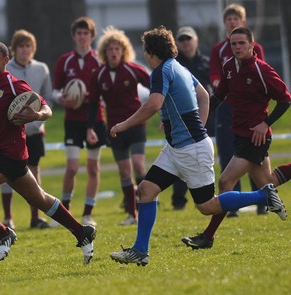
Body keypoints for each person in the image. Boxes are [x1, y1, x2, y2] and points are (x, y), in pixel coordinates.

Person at [109, 26, 286, 266]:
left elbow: (153, 104)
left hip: (190, 149)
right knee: (146, 190)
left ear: (152, 52)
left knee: (207, 206)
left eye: (146, 51)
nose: (145, 55)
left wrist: (124, 125)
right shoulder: (180, 67)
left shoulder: (161, 71)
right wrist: (195, 128)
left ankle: (262, 195)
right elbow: (204, 96)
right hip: (178, 148)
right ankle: (140, 251)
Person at [0, 41, 96, 265]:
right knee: (42, 200)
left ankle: (2, 233)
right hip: (3, 155)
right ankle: (82, 232)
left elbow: (47, 108)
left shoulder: (14, 85)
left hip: (11, 154)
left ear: (6, 61)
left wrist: (36, 115)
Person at [182, 26, 290, 250]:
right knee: (267, 182)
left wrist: (265, 124)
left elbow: (285, 99)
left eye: (242, 43)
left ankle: (208, 237)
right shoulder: (229, 66)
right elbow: (220, 95)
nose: (238, 47)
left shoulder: (262, 70)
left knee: (225, 182)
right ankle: (265, 198)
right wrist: (197, 116)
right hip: (238, 133)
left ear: (252, 45)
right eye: (234, 44)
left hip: (255, 137)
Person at [87, 26, 149, 225]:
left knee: (139, 166)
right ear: (105, 52)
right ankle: (132, 214)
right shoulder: (99, 74)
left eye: (117, 49)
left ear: (124, 51)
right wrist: (90, 127)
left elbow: (155, 86)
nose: (114, 53)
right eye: (110, 49)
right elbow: (93, 103)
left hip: (136, 125)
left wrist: (163, 112)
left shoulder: (133, 69)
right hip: (114, 129)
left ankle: (145, 206)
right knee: (124, 171)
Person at [210, 3, 266, 217]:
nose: (232, 22)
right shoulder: (219, 50)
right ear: (225, 23)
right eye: (229, 19)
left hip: (251, 110)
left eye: (236, 19)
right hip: (227, 108)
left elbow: (261, 75)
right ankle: (232, 203)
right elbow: (216, 76)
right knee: (227, 152)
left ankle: (260, 199)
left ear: (243, 22)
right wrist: (221, 87)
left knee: (254, 156)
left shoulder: (255, 48)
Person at [52, 16, 106, 227]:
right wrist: (62, 99)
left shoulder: (100, 60)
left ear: (92, 36)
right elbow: (55, 91)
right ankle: (65, 213)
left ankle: (87, 214)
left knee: (93, 167)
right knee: (72, 167)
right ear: (74, 36)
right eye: (79, 33)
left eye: (86, 33)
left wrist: (90, 98)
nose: (83, 37)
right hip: (73, 121)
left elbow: (105, 91)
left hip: (95, 120)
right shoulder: (65, 61)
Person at [0, 29, 53, 230]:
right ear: (14, 49)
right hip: (11, 132)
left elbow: (46, 98)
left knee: (34, 171)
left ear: (33, 48)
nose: (24, 50)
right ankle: (7, 218)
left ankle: (35, 217)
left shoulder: (42, 69)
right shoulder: (6, 70)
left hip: (34, 131)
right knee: (5, 172)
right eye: (21, 46)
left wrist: (37, 121)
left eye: (28, 46)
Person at [170, 26, 214, 210]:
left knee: (204, 158)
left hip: (206, 114)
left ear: (196, 40)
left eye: (189, 39)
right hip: (181, 117)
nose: (186, 42)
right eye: (182, 39)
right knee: (181, 157)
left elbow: (212, 90)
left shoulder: (206, 63)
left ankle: (207, 197)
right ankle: (179, 200)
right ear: (177, 44)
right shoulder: (174, 65)